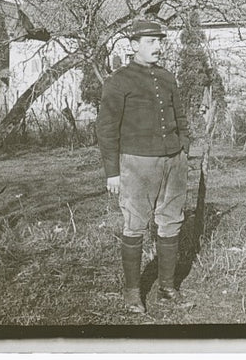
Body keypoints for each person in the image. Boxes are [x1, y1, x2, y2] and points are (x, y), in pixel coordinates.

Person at [97, 19, 193, 313]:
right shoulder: (119, 80)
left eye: (160, 41)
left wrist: (184, 148)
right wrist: (112, 171)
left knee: (171, 221)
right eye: (151, 42)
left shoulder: (167, 77)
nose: (158, 47)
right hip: (137, 164)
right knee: (135, 224)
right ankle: (132, 292)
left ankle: (166, 287)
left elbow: (180, 116)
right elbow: (106, 128)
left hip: (173, 162)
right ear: (134, 45)